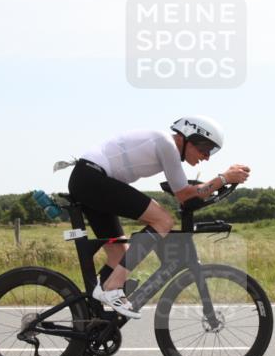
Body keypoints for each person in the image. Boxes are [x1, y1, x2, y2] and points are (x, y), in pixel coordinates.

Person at [65, 116, 250, 319]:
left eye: (211, 152)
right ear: (189, 138)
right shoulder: (167, 145)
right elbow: (185, 195)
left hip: (90, 180)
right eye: (205, 149)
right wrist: (223, 178)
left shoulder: (167, 147)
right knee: (163, 220)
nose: (206, 156)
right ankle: (112, 287)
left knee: (119, 253)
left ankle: (92, 317)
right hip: (92, 177)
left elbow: (187, 193)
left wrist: (220, 182)